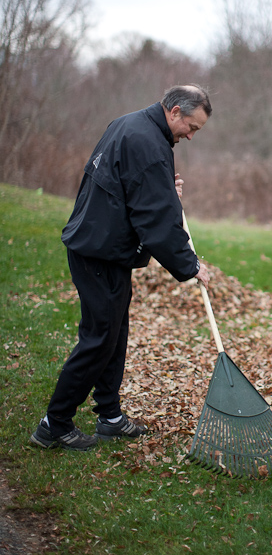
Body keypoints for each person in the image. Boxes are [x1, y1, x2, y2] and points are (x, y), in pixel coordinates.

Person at [30, 84, 212, 451]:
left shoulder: (132, 125)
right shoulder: (148, 145)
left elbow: (130, 190)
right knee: (99, 340)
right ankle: (54, 424)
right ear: (174, 111)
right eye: (191, 127)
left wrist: (163, 191)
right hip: (99, 251)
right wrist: (190, 264)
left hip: (101, 243)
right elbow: (156, 222)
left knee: (114, 333)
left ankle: (109, 417)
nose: (191, 136)